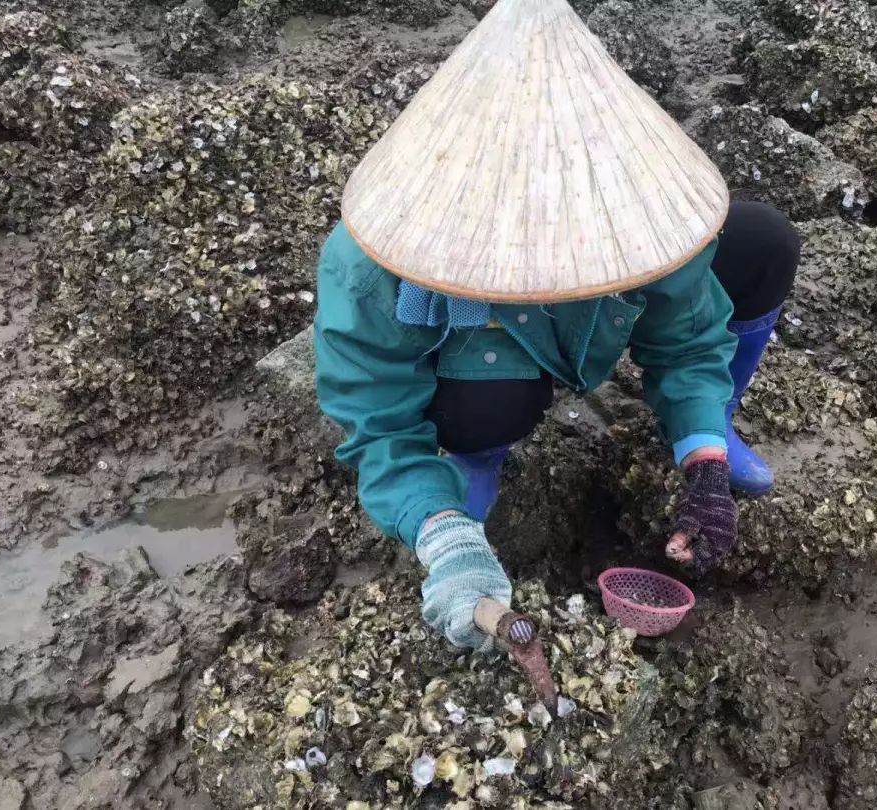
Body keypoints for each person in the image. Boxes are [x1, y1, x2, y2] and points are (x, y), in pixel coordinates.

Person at [313, 0, 798, 651]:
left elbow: (688, 338)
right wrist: (443, 533)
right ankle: (472, 462)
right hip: (483, 363)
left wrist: (704, 455)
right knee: (492, 403)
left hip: (583, 332)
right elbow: (379, 426)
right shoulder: (370, 263)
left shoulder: (638, 205)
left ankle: (707, 428)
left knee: (763, 240)